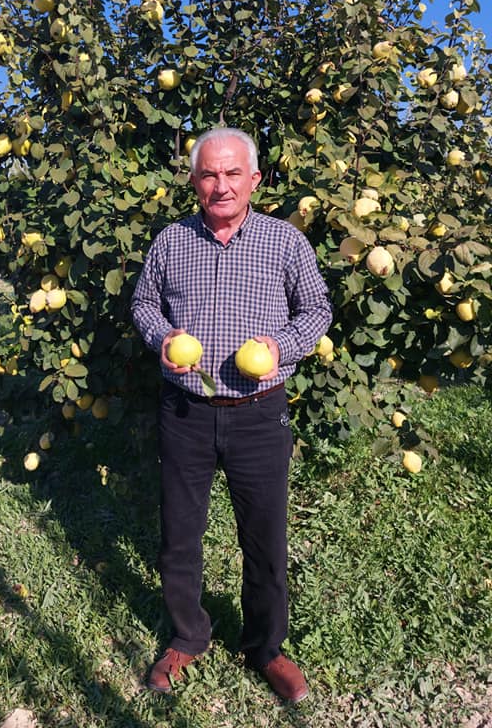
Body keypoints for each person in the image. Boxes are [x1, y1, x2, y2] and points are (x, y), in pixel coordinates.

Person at [130, 126, 332, 704]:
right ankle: (188, 637)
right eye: (209, 174)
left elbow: (317, 308)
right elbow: (143, 302)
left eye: (232, 173)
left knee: (265, 538)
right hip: (186, 411)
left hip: (259, 414)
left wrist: (283, 346)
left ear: (255, 179)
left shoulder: (285, 242)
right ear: (194, 181)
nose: (221, 185)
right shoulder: (171, 241)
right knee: (179, 537)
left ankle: (265, 648)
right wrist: (162, 334)